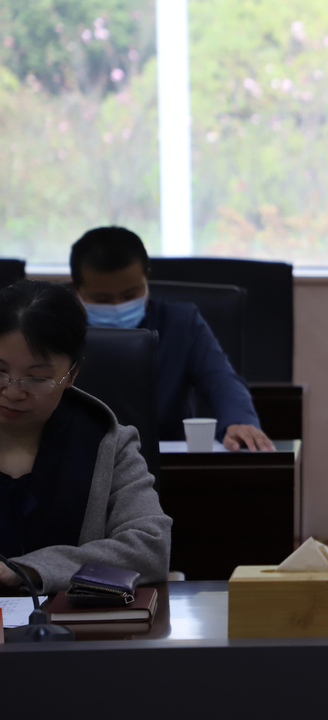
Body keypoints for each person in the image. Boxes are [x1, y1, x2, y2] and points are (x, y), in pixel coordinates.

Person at [0, 280, 171, 594]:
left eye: (37, 378)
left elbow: (150, 548)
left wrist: (29, 570)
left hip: (70, 620)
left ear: (72, 376)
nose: (12, 392)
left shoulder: (107, 443)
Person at [70, 227, 273, 451]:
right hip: (80, 455)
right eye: (102, 299)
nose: (118, 306)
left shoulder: (181, 323)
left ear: (146, 276)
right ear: (76, 288)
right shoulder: (58, 330)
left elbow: (220, 378)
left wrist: (238, 420)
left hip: (167, 458)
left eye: (130, 295)